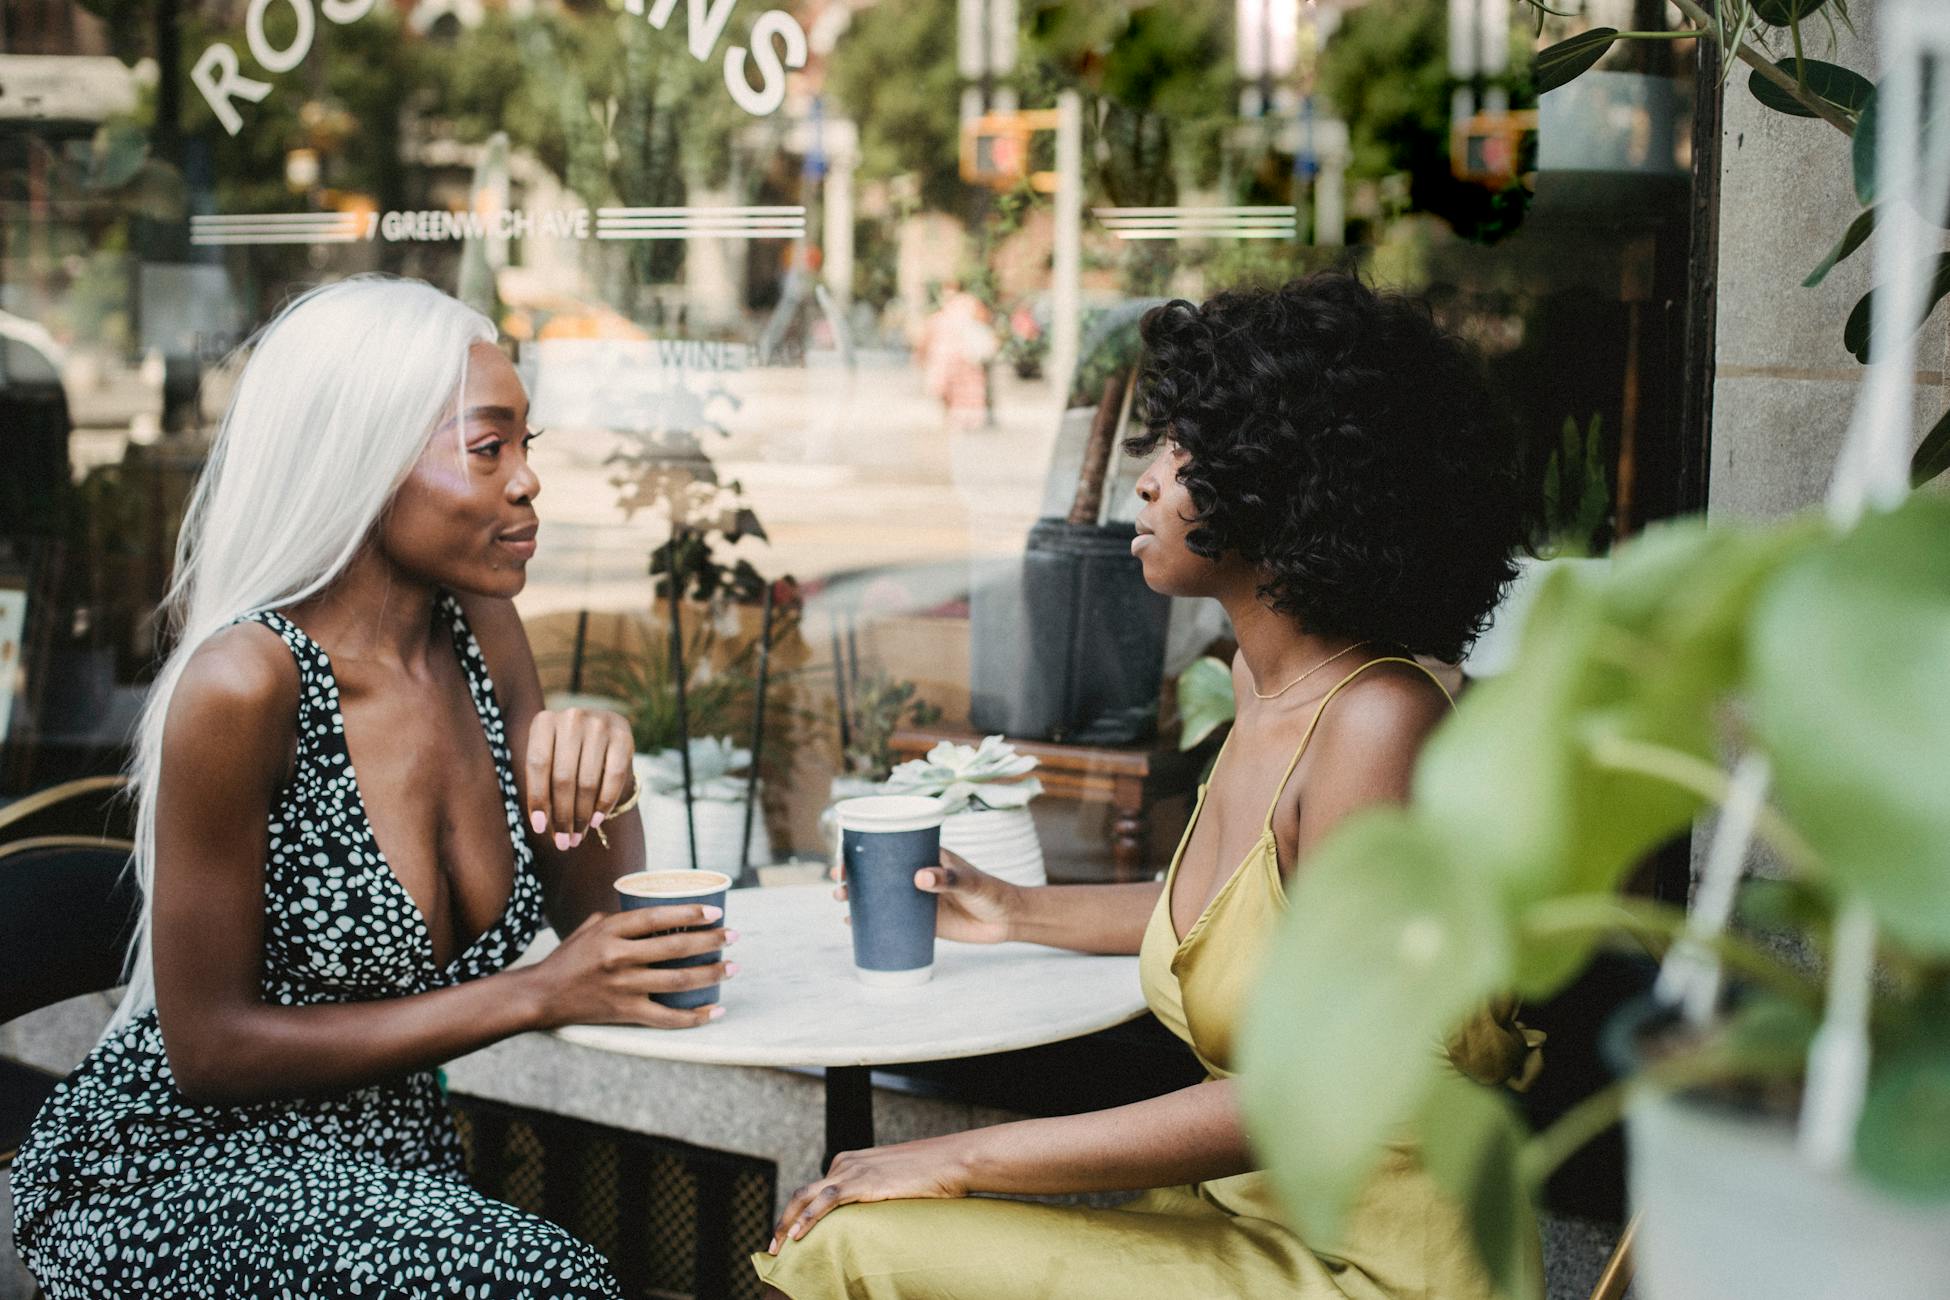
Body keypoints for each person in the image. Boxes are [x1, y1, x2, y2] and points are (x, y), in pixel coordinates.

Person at [753, 272, 1540, 1299]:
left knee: (848, 1242)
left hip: (1368, 1268)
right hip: (1250, 1212)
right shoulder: (1264, 683)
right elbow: (1247, 916)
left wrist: (956, 1154)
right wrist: (1015, 909)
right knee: (864, 1220)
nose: (1146, 481)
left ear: (1280, 479)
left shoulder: (1376, 722)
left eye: (1183, 448)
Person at [10, 276, 732, 1299]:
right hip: (183, 1171)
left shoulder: (479, 629)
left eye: (530, 446)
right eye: (490, 447)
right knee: (545, 1279)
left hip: (388, 1171)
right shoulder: (245, 683)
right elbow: (208, 1050)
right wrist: (530, 995)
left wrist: (600, 769)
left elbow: (599, 932)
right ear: (365, 459)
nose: (527, 482)